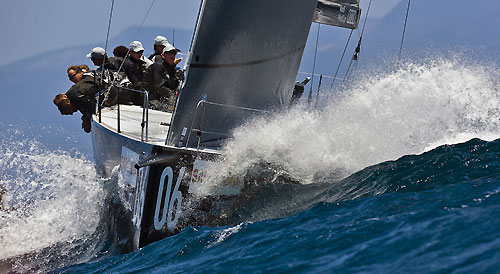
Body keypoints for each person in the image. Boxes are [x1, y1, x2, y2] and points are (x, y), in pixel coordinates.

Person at [144, 43, 184, 111]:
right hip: (150, 98)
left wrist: (179, 79)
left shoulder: (172, 69)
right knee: (167, 108)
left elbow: (174, 86)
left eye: (174, 53)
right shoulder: (158, 66)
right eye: (170, 53)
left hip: (163, 99)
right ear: (163, 55)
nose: (172, 55)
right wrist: (172, 97)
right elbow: (158, 86)